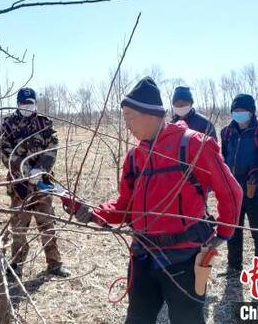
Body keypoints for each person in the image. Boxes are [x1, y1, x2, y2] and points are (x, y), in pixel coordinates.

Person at [67, 77, 242, 324]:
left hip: (185, 257)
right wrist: (93, 212)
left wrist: (223, 232)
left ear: (150, 114)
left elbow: (231, 191)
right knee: (137, 319)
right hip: (143, 256)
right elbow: (125, 206)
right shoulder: (135, 156)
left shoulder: (193, 145)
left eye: (130, 117)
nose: (126, 124)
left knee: (187, 319)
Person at [0, 87, 71, 278]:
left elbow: (53, 146)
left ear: (35, 103)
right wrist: (23, 171)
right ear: (17, 104)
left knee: (47, 224)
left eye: (30, 103)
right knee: (19, 227)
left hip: (42, 183)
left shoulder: (45, 123)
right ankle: (16, 265)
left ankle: (54, 264)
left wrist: (41, 169)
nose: (27, 106)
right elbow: (4, 150)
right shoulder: (9, 123)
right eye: (24, 103)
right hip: (18, 185)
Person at [220, 94, 258, 298]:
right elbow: (224, 159)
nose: (239, 114)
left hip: (256, 190)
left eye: (243, 110)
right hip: (234, 190)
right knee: (233, 230)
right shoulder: (226, 132)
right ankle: (234, 268)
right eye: (236, 110)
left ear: (252, 112)